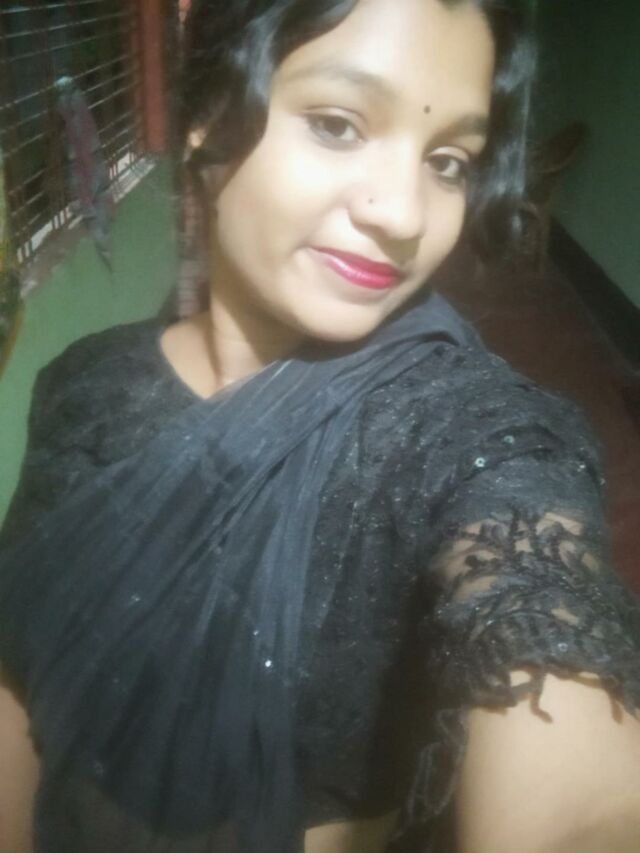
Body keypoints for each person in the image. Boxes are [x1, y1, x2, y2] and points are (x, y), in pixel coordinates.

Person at [1, 1, 640, 851]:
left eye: (448, 161)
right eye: (339, 125)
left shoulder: (466, 430)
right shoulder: (84, 384)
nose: (404, 214)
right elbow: (20, 667)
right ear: (204, 119)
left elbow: (579, 803)